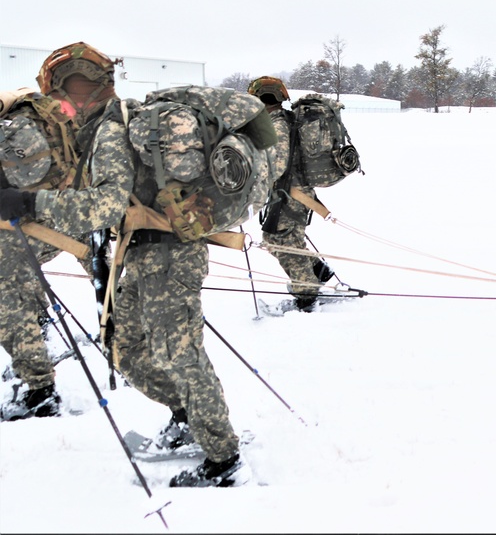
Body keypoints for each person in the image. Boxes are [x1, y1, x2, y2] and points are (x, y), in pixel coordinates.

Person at [0, 46, 252, 486]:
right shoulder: (100, 128)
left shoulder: (112, 132)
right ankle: (187, 416)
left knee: (181, 356)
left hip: (171, 256)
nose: (56, 111)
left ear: (71, 93)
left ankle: (224, 460)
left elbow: (103, 205)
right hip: (140, 253)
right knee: (125, 348)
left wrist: (28, 202)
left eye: (57, 99)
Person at [0, 42, 122, 421]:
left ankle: (39, 388)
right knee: (108, 282)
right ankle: (130, 354)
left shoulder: (20, 123)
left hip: (46, 214)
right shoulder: (50, 114)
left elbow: (26, 177)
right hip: (80, 208)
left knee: (7, 285)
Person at [249, 76, 334, 312]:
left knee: (280, 241)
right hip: (294, 192)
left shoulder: (276, 123)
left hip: (290, 194)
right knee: (289, 240)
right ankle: (318, 271)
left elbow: (277, 164)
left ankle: (306, 296)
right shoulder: (283, 120)